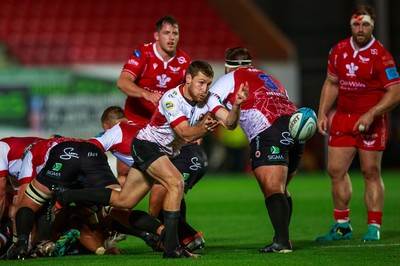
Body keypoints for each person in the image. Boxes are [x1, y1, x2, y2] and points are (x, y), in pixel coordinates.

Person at [54, 60, 248, 258]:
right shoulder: (171, 98)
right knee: (176, 182)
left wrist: (236, 107)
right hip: (147, 146)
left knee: (124, 201)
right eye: (200, 83)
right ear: (188, 79)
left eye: (208, 83)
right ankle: (172, 247)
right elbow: (186, 134)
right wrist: (203, 128)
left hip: (161, 152)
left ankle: (67, 195)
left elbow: (230, 124)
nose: (204, 88)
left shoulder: (208, 99)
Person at [116, 15, 208, 248]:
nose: (171, 38)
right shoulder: (143, 53)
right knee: (124, 180)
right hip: (138, 126)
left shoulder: (184, 61)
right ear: (156, 35)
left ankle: (172, 235)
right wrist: (146, 94)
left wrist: (192, 130)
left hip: (167, 131)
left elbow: (189, 99)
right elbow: (123, 82)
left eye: (175, 34)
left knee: (170, 183)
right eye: (166, 33)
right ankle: (118, 223)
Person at [206, 47, 305, 253]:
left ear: (227, 66)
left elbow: (212, 101)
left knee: (273, 189)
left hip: (268, 130)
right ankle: (283, 238)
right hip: (296, 128)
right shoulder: (270, 77)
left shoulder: (231, 77)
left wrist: (221, 115)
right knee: (282, 189)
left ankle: (282, 242)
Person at [316, 5, 400, 242]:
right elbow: (332, 83)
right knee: (335, 170)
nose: (360, 29)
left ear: (372, 25)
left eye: (365, 24)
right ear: (350, 25)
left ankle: (374, 225)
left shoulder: (381, 56)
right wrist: (322, 113)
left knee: (370, 171)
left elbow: (395, 92)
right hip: (343, 117)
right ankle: (342, 225)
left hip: (371, 120)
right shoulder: (338, 50)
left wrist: (372, 113)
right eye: (356, 24)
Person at [6, 137, 162, 260]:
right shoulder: (55, 140)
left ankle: (20, 245)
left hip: (64, 156)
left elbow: (23, 204)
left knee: (29, 203)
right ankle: (161, 232)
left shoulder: (31, 155)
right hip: (92, 153)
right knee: (119, 205)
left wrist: (20, 241)